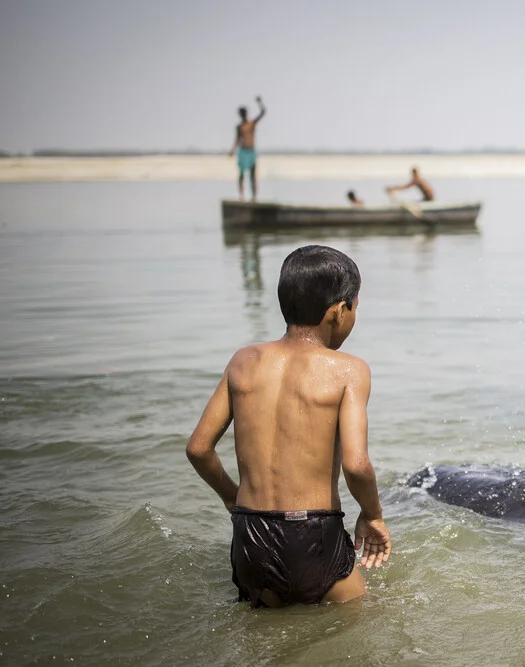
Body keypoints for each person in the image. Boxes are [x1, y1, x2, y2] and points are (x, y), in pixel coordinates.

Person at [186, 245, 391, 608]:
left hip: (250, 535)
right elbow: (357, 465)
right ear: (338, 311)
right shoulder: (349, 370)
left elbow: (199, 448)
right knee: (364, 623)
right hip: (313, 532)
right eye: (355, 307)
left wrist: (233, 499)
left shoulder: (244, 361)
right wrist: (373, 515)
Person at [228, 96, 266, 201]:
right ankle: (241, 196)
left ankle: (254, 197)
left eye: (244, 113)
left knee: (253, 175)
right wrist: (232, 150)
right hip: (243, 152)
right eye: (242, 114)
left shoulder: (251, 124)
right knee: (241, 175)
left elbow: (263, 112)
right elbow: (237, 139)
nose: (243, 115)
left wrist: (260, 102)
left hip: (251, 152)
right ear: (240, 115)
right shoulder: (239, 127)